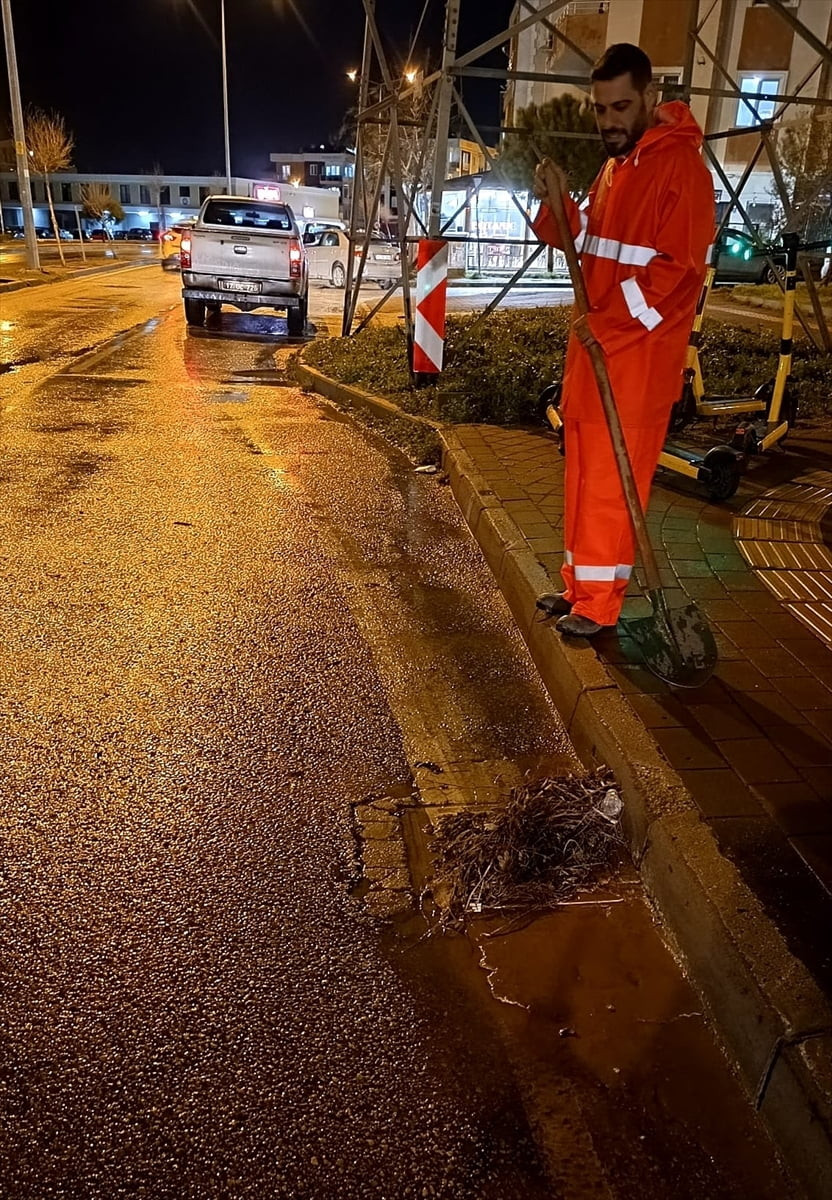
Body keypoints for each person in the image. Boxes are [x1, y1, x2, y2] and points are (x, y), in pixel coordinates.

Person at [533, 43, 715, 636]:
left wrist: (608, 327)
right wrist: (556, 201)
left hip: (633, 366)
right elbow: (581, 239)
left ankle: (599, 606)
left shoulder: (679, 167)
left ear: (650, 99)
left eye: (620, 107)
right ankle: (579, 587)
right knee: (585, 477)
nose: (608, 120)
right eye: (600, 109)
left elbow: (677, 273)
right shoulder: (617, 167)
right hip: (594, 357)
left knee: (613, 489)